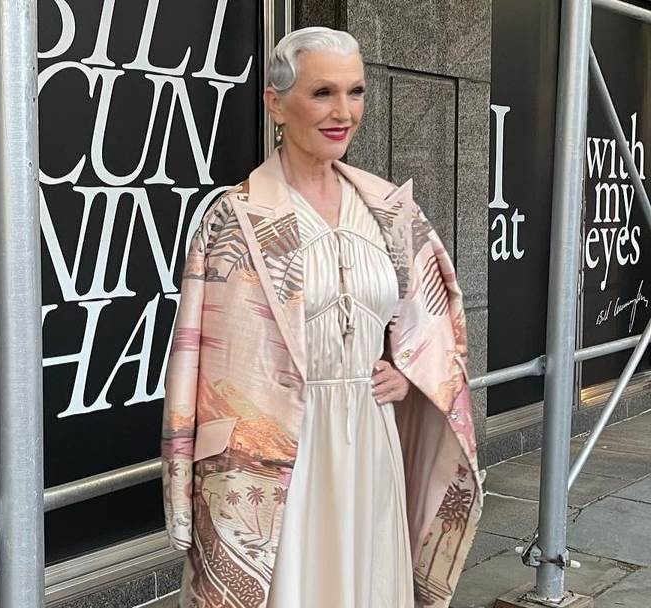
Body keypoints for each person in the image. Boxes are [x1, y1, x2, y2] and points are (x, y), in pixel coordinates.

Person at [161, 26, 484, 608]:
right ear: (275, 103)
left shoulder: (390, 209)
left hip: (370, 437)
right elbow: (198, 363)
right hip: (280, 451)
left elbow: (436, 324)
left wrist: (407, 374)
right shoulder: (236, 217)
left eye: (355, 91)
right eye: (322, 93)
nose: (344, 112)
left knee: (366, 582)